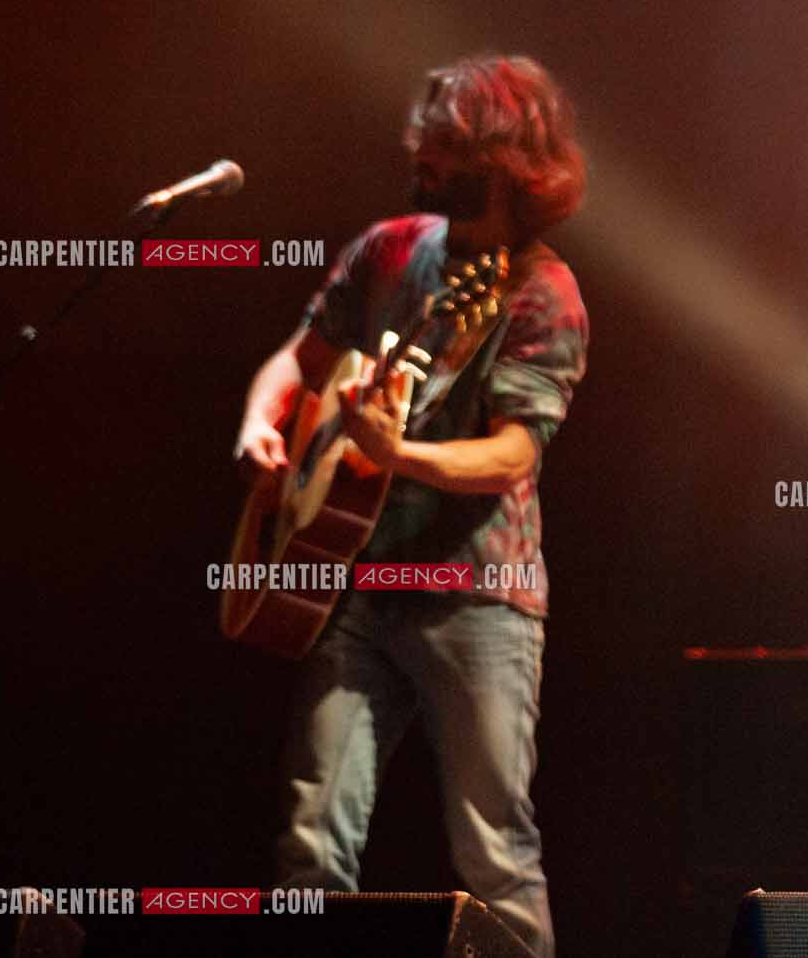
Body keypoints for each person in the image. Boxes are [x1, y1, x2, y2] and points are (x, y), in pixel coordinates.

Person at [233, 55, 588, 958]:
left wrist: (401, 453)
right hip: (348, 585)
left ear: (507, 161)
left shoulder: (541, 291)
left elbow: (514, 453)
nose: (422, 164)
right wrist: (259, 424)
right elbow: (299, 359)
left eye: (446, 151)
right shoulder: (391, 247)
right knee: (309, 840)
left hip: (478, 599)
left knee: (494, 853)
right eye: (423, 149)